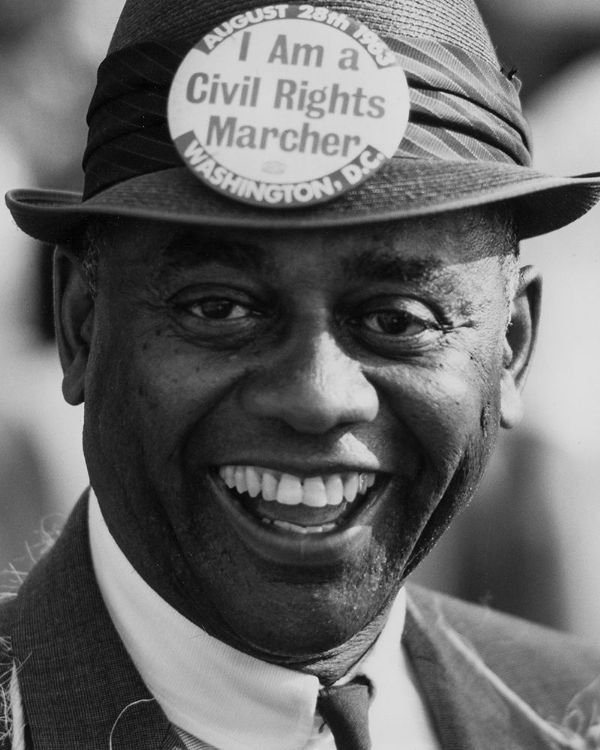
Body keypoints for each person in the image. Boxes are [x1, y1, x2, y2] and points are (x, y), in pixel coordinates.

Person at [3, 0, 600, 747]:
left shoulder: (581, 709)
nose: (317, 398)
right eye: (218, 309)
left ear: (511, 347)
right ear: (80, 325)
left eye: (396, 321)